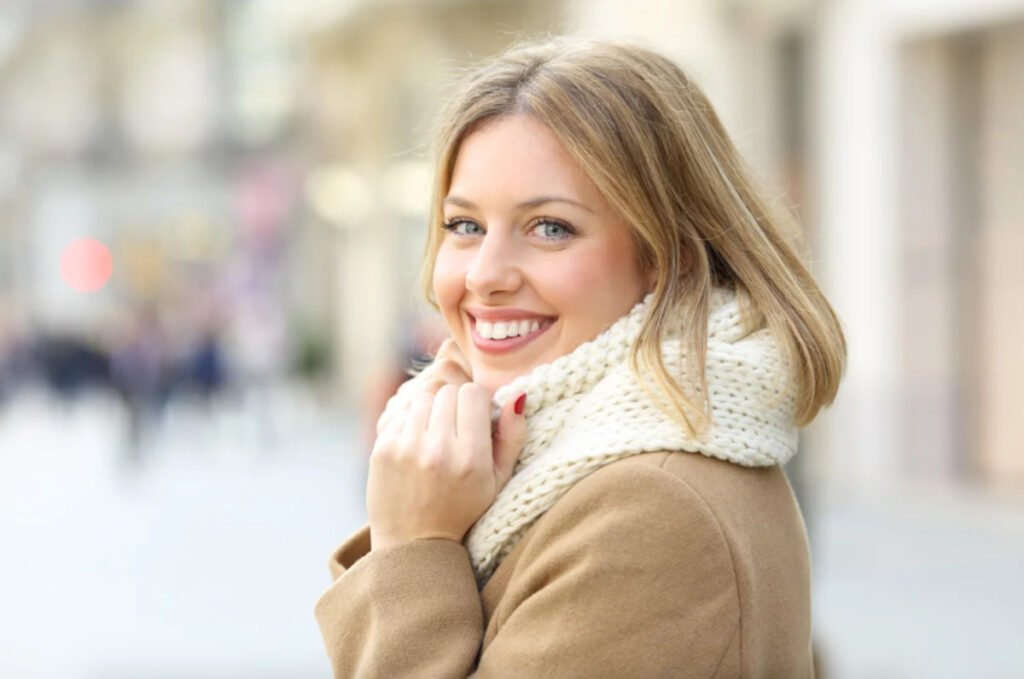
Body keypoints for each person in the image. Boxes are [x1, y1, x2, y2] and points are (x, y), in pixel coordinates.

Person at [314, 37, 845, 678]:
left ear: (668, 257)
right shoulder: (578, 459)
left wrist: (413, 543)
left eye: (550, 228)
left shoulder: (649, 508)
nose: (485, 275)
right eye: (465, 226)